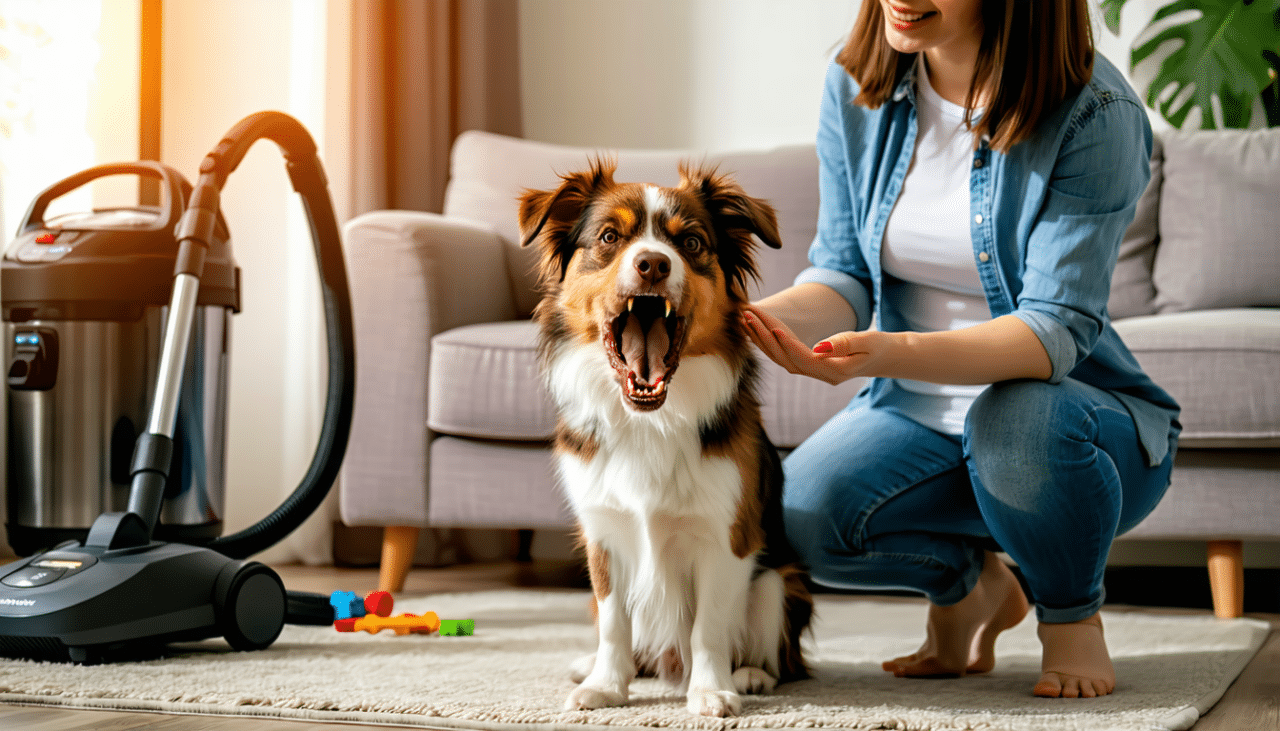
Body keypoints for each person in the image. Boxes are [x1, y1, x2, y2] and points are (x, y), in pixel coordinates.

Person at [741, 0, 1181, 699]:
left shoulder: (1095, 111)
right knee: (798, 515)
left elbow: (1053, 329)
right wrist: (735, 322)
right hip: (916, 419)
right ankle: (973, 588)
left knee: (1013, 420)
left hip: (1072, 431)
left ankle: (1072, 616)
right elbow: (842, 273)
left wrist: (891, 352)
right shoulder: (855, 87)